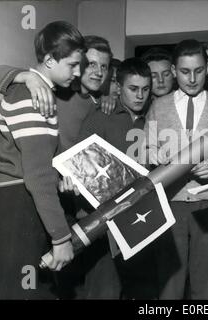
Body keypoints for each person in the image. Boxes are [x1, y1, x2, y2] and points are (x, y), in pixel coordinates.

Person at [0, 21, 85, 299]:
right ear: (50, 60)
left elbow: (39, 165)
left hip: (12, 198)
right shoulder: (34, 96)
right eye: (73, 65)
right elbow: (37, 176)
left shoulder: (33, 89)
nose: (78, 73)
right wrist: (61, 237)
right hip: (19, 201)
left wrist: (59, 179)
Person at [144, 39, 208, 299]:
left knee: (206, 288)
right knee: (169, 287)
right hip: (170, 204)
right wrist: (155, 155)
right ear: (174, 70)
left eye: (199, 71)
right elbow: (144, 150)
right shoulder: (159, 106)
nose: (192, 79)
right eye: (185, 71)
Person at [77, 57, 152, 299]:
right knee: (104, 291)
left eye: (145, 89)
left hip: (140, 217)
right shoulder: (101, 116)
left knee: (138, 289)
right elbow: (79, 164)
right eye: (133, 89)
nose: (140, 95)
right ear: (118, 88)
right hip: (102, 220)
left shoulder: (153, 119)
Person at [0, 35, 115, 152]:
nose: (99, 72)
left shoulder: (102, 103)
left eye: (104, 66)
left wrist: (108, 96)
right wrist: (29, 77)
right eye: (91, 64)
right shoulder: (57, 89)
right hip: (42, 170)